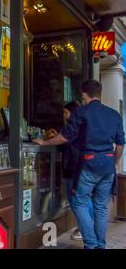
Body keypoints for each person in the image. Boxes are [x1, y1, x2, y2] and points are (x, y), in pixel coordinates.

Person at [34, 80, 125, 249]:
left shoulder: (82, 112)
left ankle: (90, 244)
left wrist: (44, 142)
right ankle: (100, 245)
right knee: (101, 208)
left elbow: (65, 137)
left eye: (82, 95)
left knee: (79, 202)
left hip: (90, 163)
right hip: (108, 165)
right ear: (99, 94)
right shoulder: (114, 115)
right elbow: (120, 145)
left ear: (84, 94)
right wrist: (113, 162)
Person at [61, 101, 93, 241]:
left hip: (73, 168)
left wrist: (50, 141)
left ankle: (84, 229)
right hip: (81, 168)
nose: (63, 115)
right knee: (84, 199)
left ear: (72, 113)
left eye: (65, 112)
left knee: (75, 200)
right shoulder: (83, 126)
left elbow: (68, 144)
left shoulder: (73, 127)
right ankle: (88, 226)